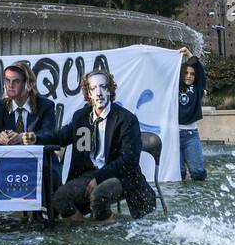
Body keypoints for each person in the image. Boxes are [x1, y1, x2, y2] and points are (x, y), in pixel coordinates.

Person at [50, 70, 156, 223]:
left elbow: (129, 159)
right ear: (89, 93)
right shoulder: (81, 117)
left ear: (110, 90)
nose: (99, 93)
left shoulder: (126, 119)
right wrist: (32, 137)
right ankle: (84, 234)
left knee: (99, 195)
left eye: (103, 87)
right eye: (93, 88)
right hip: (90, 174)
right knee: (60, 198)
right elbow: (60, 137)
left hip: (121, 176)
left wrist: (99, 178)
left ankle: (108, 236)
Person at [0, 61, 58, 220]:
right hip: (7, 167)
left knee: (51, 180)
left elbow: (50, 134)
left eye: (16, 81)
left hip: (39, 167)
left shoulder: (45, 106)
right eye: (7, 80)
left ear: (29, 84)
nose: (10, 85)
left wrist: (25, 137)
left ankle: (47, 224)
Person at [176, 51, 208, 181]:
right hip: (173, 135)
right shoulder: (174, 87)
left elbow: (201, 72)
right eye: (186, 73)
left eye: (192, 74)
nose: (189, 76)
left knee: (197, 172)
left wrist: (189, 55)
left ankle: (199, 197)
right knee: (178, 173)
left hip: (191, 135)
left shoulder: (198, 88)